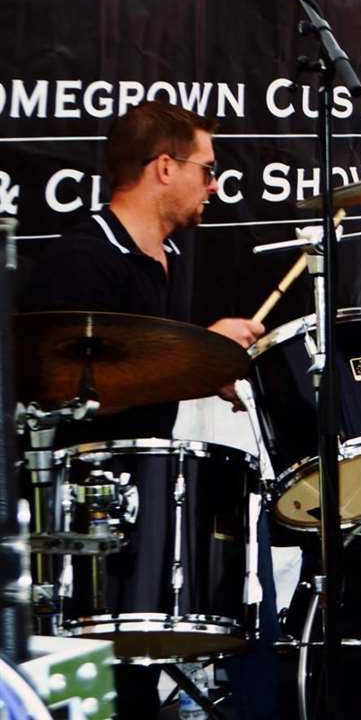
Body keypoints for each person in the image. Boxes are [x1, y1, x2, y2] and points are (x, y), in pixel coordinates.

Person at [25, 101, 267, 720]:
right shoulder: (85, 257)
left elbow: (140, 368)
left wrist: (201, 368)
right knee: (89, 692)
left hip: (148, 511)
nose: (214, 184)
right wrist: (190, 364)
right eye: (205, 169)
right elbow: (63, 391)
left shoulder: (171, 259)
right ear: (164, 166)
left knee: (134, 683)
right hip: (79, 517)